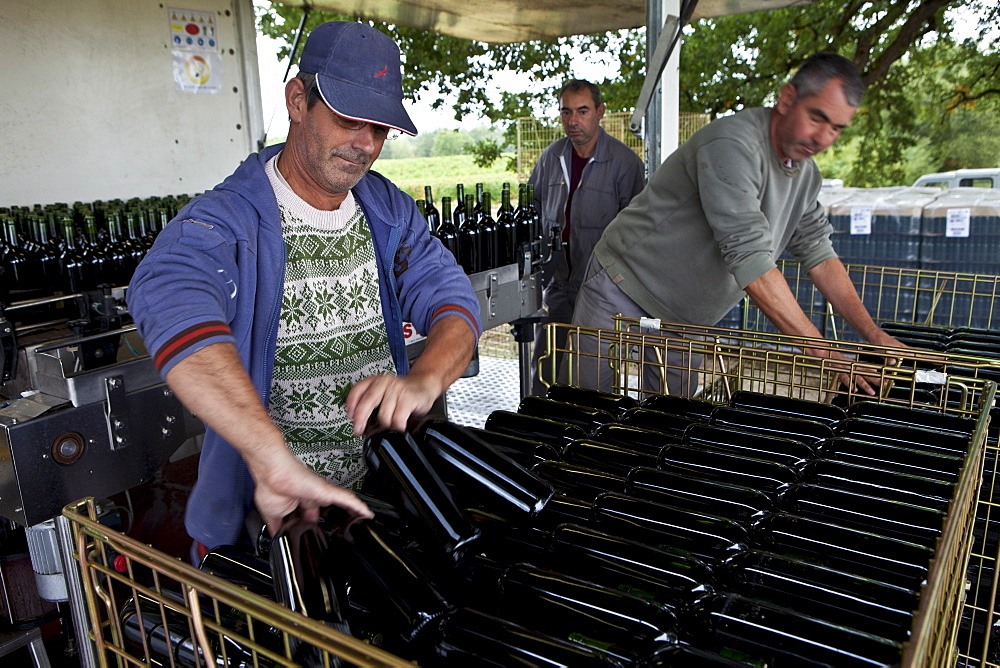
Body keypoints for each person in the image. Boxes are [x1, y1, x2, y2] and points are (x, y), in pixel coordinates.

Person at [127, 21, 481, 557]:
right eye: (349, 118)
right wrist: (270, 457)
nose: (365, 143)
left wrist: (426, 380)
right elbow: (170, 297)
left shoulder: (386, 210)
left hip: (372, 511)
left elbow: (451, 299)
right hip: (274, 528)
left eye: (380, 127)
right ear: (298, 100)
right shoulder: (226, 222)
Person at [569, 52, 904, 396]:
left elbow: (819, 254)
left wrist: (873, 335)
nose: (824, 138)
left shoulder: (805, 175)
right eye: (817, 118)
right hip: (624, 284)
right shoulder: (732, 145)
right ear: (788, 99)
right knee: (585, 407)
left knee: (668, 423)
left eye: (836, 128)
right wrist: (827, 354)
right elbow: (751, 261)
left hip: (685, 317)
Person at [527, 80, 645, 394]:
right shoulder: (552, 158)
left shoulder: (625, 164)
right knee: (545, 365)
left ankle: (583, 438)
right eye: (566, 112)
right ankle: (537, 432)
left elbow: (638, 231)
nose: (573, 121)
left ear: (600, 112)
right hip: (559, 283)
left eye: (582, 111)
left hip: (602, 287)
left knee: (590, 376)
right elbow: (533, 207)